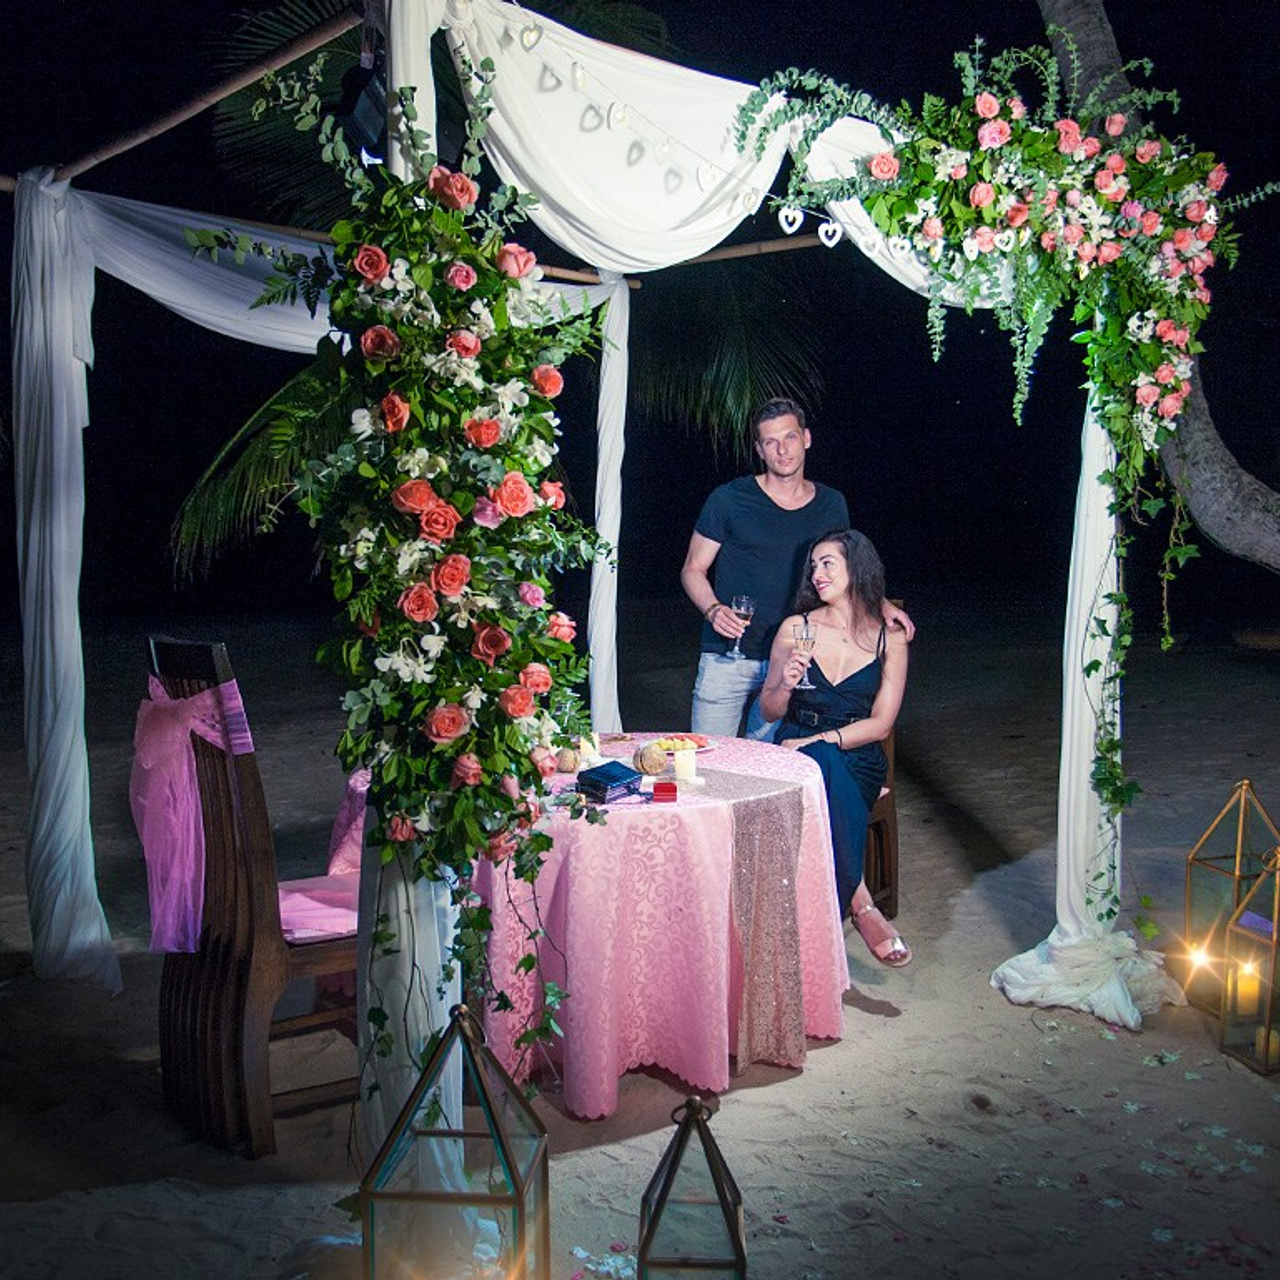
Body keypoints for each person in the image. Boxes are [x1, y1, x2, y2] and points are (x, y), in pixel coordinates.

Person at [681, 397, 912, 740]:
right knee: (711, 764)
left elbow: (847, 573)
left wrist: (881, 604)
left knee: (773, 772)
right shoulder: (729, 499)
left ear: (806, 438)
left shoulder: (831, 504)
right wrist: (713, 610)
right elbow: (692, 569)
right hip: (728, 657)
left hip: (796, 660)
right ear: (759, 449)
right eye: (771, 442)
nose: (782, 450)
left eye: (789, 438)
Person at [758, 527, 912, 967]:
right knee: (818, 763)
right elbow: (769, 711)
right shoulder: (796, 628)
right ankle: (861, 906)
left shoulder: (889, 637)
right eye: (814, 565)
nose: (817, 573)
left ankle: (840, 911)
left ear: (856, 568)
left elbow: (881, 724)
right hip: (797, 748)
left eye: (828, 563)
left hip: (857, 754)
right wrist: (784, 686)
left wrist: (820, 739)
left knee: (824, 759)